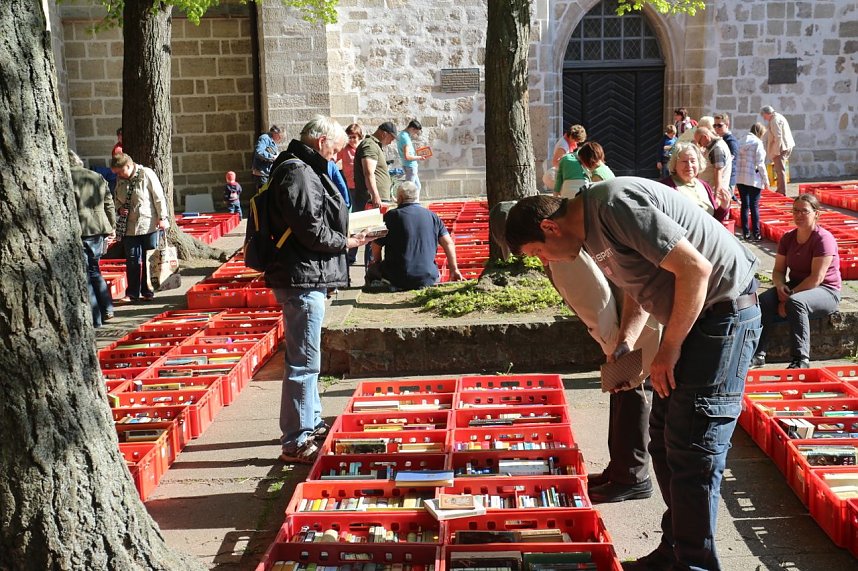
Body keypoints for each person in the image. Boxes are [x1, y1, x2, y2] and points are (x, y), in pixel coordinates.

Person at [504, 178, 761, 571]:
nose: (544, 261)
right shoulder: (590, 232)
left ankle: (694, 564)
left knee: (694, 447)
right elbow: (640, 284)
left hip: (723, 315)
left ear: (550, 227)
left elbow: (695, 269)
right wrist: (625, 341)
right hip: (696, 320)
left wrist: (669, 349)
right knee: (664, 439)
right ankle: (675, 552)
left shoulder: (612, 206)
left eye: (538, 252)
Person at [262, 115, 373, 463]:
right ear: (322, 141)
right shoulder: (298, 171)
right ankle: (296, 440)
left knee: (308, 359)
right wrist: (346, 241)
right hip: (301, 275)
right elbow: (310, 229)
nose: (337, 157)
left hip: (303, 272)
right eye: (335, 151)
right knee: (303, 362)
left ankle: (309, 422)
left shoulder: (297, 166)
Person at [752, 194, 841, 370]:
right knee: (763, 301)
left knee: (796, 303)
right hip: (796, 286)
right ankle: (758, 354)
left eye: (804, 211)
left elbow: (816, 278)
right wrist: (780, 286)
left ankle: (801, 359)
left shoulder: (823, 239)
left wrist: (788, 298)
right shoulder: (788, 238)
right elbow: (778, 270)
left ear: (816, 214)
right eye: (795, 211)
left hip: (826, 290)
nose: (799, 215)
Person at [369, 182, 463, 290]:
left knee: (372, 271)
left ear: (400, 198)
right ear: (417, 197)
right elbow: (448, 243)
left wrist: (377, 262)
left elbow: (376, 245)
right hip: (428, 277)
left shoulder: (390, 216)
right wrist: (454, 269)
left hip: (396, 277)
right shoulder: (433, 216)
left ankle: (376, 287)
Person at [110, 153, 170, 302]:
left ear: (128, 166)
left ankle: (148, 291)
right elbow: (116, 199)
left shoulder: (146, 174)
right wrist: (119, 209)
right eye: (116, 173)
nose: (118, 175)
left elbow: (158, 197)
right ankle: (132, 293)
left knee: (149, 258)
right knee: (132, 259)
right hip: (129, 227)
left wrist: (162, 218)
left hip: (149, 224)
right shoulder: (120, 180)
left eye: (120, 171)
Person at [70, 150, 115, 327]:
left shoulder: (67, 177)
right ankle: (107, 308)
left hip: (81, 229)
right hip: (98, 228)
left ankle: (96, 317)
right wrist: (111, 226)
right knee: (95, 270)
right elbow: (109, 203)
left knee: (86, 274)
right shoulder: (97, 176)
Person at [354, 122, 397, 266]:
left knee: (376, 237)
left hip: (377, 199)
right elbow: (369, 172)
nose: (392, 141)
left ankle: (375, 268)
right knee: (373, 237)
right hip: (372, 201)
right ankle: (372, 271)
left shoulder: (375, 146)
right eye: (391, 137)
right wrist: (375, 196)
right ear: (384, 133)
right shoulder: (370, 145)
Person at [660, 141, 730, 222]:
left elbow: (714, 220)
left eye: (693, 161)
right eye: (684, 161)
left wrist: (723, 207)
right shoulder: (666, 187)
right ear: (674, 164)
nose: (689, 165)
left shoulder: (704, 185)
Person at [735, 122, 770, 241]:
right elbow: (760, 163)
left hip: (740, 176)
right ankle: (756, 232)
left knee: (744, 205)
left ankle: (746, 232)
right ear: (760, 132)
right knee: (754, 206)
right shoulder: (757, 143)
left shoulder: (740, 141)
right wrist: (766, 180)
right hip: (753, 177)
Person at [693, 127, 734, 211]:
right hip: (710, 191)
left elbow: (718, 171)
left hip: (713, 193)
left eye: (699, 142)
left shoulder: (717, 148)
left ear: (705, 137)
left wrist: (717, 194)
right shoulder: (714, 147)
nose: (700, 145)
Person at [760, 105, 795, 196]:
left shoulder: (775, 120)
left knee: (780, 170)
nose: (764, 118)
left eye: (763, 115)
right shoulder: (777, 117)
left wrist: (776, 151)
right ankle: (780, 189)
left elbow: (778, 137)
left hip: (781, 148)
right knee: (779, 169)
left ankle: (781, 191)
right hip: (784, 146)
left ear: (766, 114)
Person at [397, 120, 427, 192]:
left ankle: (415, 200)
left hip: (408, 165)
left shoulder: (402, 134)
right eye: (415, 132)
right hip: (410, 166)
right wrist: (420, 157)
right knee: (409, 190)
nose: (415, 134)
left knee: (417, 186)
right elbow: (407, 156)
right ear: (412, 128)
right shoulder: (405, 138)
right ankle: (406, 199)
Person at [713, 112, 739, 192]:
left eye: (719, 125)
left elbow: (730, 162)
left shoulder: (731, 141)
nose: (716, 128)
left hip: (727, 179)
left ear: (727, 125)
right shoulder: (720, 139)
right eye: (714, 125)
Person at [252, 125, 282, 190]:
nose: (280, 139)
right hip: (262, 174)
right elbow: (259, 152)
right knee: (263, 194)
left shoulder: (271, 140)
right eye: (280, 136)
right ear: (275, 133)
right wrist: (273, 157)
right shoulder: (265, 138)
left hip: (267, 174)